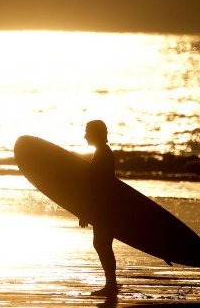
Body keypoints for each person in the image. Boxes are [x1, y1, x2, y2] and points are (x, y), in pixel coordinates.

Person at [79, 120, 118, 297]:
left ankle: (111, 284)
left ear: (96, 133)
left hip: (105, 207)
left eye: (88, 132)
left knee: (102, 244)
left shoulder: (103, 154)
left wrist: (85, 211)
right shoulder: (103, 152)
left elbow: (97, 186)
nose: (85, 135)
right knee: (102, 244)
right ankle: (111, 283)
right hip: (107, 206)